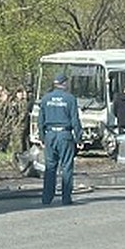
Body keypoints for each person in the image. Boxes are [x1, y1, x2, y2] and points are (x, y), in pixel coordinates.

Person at [37, 73, 83, 205]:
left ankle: (47, 198)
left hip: (50, 135)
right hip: (64, 135)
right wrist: (79, 138)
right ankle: (66, 198)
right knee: (67, 166)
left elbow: (41, 120)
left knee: (50, 167)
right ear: (64, 83)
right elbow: (75, 120)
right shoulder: (70, 99)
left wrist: (42, 137)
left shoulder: (45, 99)